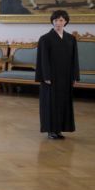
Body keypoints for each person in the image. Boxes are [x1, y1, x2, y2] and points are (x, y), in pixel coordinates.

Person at [35, 9, 79, 139]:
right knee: (50, 104)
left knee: (63, 103)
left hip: (66, 77)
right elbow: (43, 59)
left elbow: (74, 59)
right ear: (52, 21)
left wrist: (75, 76)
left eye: (61, 20)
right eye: (55, 20)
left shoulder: (71, 39)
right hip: (51, 77)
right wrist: (46, 76)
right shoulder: (45, 39)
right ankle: (51, 130)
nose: (58, 23)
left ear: (65, 22)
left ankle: (59, 129)